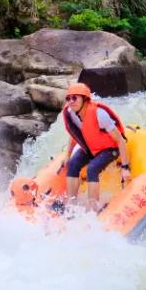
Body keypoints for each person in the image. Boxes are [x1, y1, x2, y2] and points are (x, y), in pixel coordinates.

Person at [62, 83, 131, 211]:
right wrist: (67, 155)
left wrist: (125, 167)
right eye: (68, 98)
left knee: (92, 169)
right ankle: (71, 206)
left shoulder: (100, 115)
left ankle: (94, 209)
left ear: (84, 99)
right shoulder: (71, 113)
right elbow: (74, 135)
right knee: (72, 164)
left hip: (110, 148)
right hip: (91, 147)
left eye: (75, 98)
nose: (71, 101)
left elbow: (120, 141)